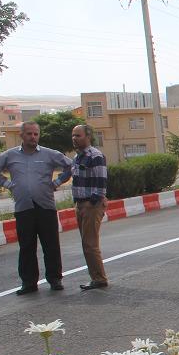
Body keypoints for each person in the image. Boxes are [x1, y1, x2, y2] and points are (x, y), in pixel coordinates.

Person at [0, 121, 73, 295]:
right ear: (22, 135)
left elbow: (70, 166)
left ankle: (55, 279)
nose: (33, 137)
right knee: (26, 246)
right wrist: (7, 183)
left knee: (51, 245)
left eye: (36, 134)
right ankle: (28, 283)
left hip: (45, 206)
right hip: (24, 208)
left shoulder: (49, 154)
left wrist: (57, 182)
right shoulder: (10, 156)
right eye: (29, 134)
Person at [70, 124, 109, 290]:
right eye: (73, 135)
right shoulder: (77, 157)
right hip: (80, 204)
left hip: (91, 205)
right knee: (86, 243)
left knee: (90, 244)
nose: (74, 138)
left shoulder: (95, 156)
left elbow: (101, 182)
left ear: (88, 137)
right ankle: (96, 277)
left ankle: (99, 279)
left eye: (78, 135)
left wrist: (91, 203)